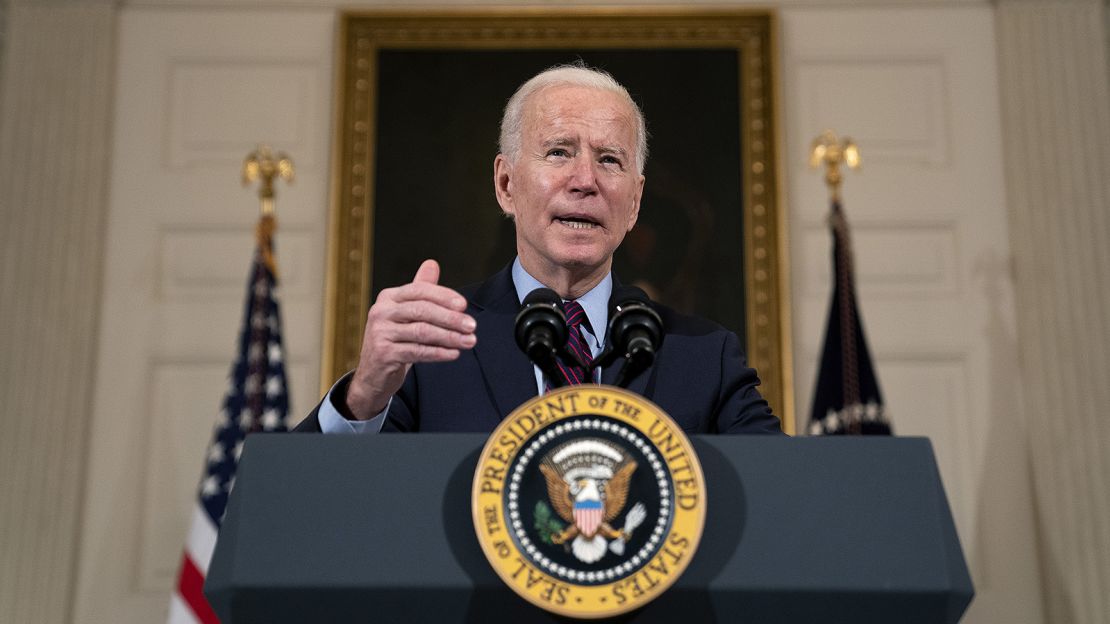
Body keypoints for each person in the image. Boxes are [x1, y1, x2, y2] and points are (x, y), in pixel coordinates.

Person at [295, 64, 782, 435]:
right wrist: (363, 397)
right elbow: (302, 508)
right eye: (559, 152)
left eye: (610, 160)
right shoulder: (431, 349)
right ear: (506, 184)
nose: (586, 181)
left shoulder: (705, 358)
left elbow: (791, 496)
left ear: (634, 203)